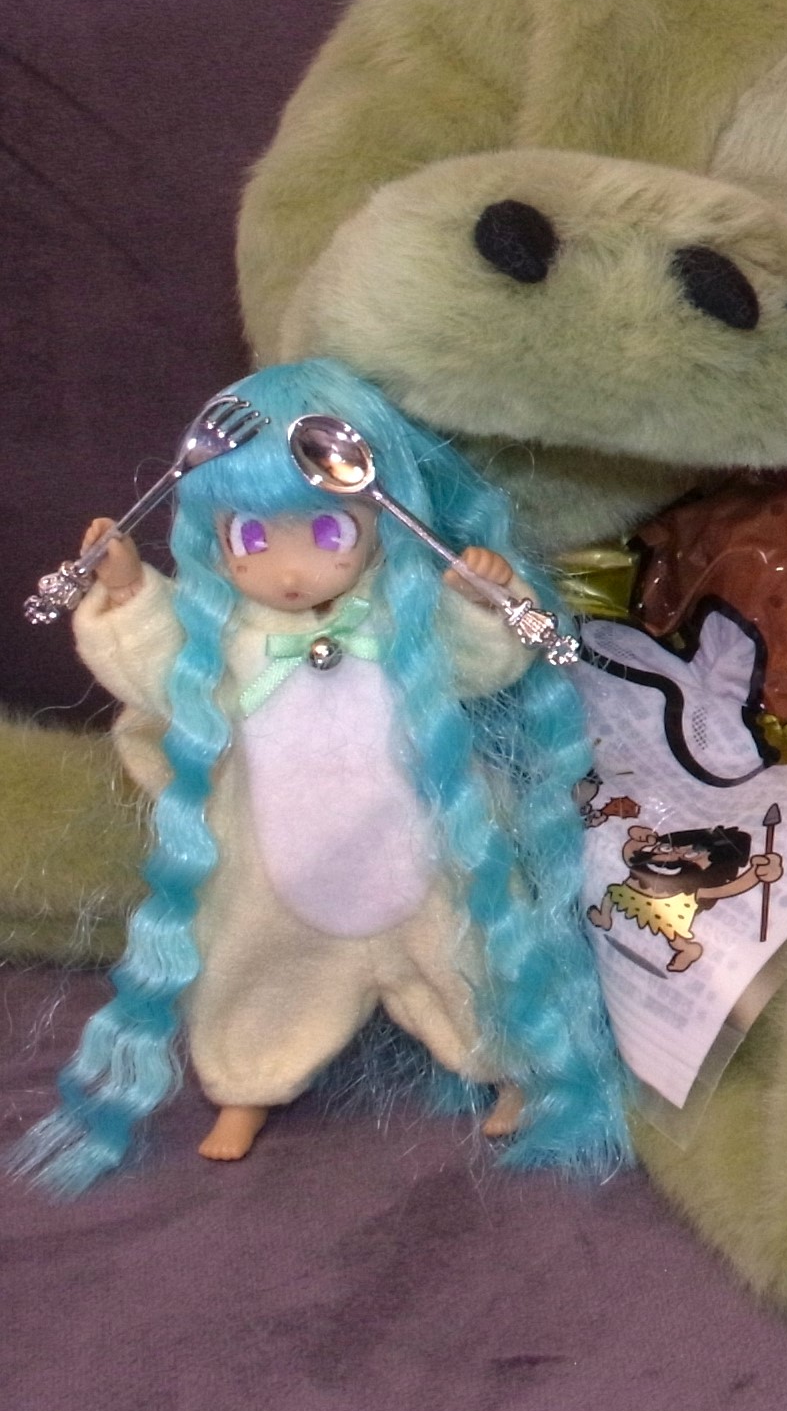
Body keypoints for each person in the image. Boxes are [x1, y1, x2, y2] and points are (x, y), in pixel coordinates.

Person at [22, 360, 627, 1186]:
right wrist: (128, 593)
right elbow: (159, 672)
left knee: (474, 955)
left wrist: (480, 600)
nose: (291, 570)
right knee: (246, 966)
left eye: (330, 532)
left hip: (429, 858)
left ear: (382, 516)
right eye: (251, 538)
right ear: (214, 535)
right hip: (278, 876)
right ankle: (243, 1081)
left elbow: (481, 664)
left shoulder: (401, 618)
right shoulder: (227, 638)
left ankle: (514, 1067)